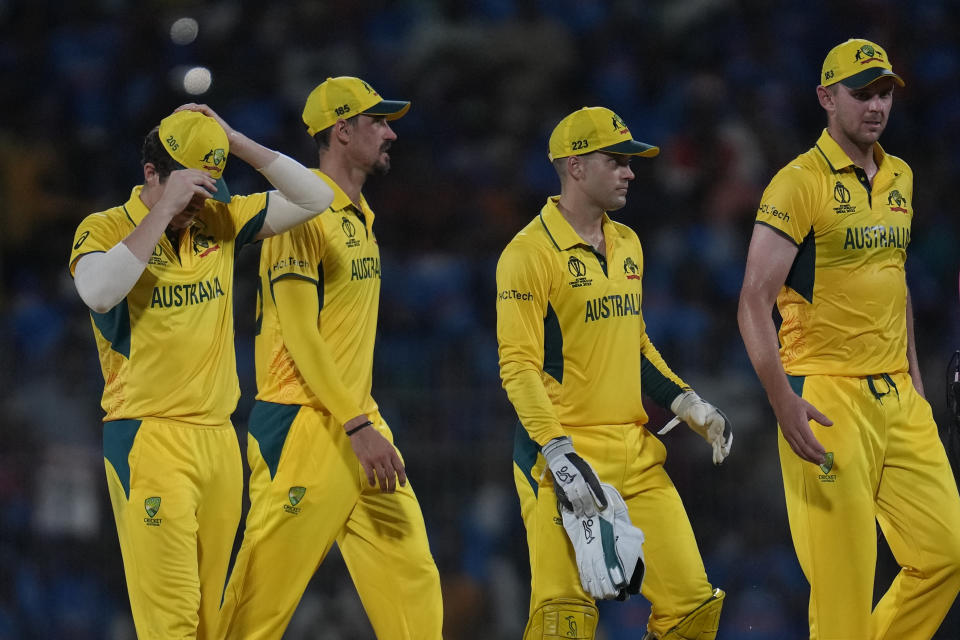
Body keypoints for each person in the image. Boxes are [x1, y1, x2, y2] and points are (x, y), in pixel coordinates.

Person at [68, 105, 335, 639]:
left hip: (218, 442)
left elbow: (317, 198)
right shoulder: (104, 228)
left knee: (215, 622)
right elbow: (97, 293)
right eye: (187, 189)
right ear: (152, 174)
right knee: (171, 623)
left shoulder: (220, 217)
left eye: (205, 190)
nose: (197, 204)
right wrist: (164, 211)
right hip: (149, 439)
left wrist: (236, 141)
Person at [738, 38, 960, 639]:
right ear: (825, 98)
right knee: (843, 593)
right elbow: (753, 299)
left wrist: (913, 377)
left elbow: (895, 277)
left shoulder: (901, 177)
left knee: (946, 556)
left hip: (897, 397)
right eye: (862, 94)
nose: (876, 106)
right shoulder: (797, 184)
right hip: (827, 397)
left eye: (884, 92)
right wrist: (782, 399)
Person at [218, 76, 443, 639]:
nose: (391, 134)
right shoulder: (300, 215)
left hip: (354, 420)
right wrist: (357, 423)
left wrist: (360, 420)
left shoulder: (358, 216)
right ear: (342, 131)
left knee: (411, 573)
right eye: (378, 123)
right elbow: (298, 333)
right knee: (259, 604)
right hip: (305, 425)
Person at [496, 106, 732, 640]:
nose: (630, 172)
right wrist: (557, 452)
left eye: (630, 162)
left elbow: (636, 342)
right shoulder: (527, 254)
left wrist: (685, 402)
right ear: (575, 167)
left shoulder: (628, 243)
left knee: (693, 612)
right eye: (617, 160)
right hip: (559, 459)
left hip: (634, 452)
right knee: (564, 622)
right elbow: (517, 366)